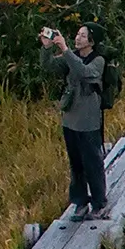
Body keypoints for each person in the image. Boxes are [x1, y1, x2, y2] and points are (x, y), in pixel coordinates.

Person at [39, 22, 109, 219]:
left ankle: (99, 202)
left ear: (92, 41)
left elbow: (84, 72)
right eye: (78, 34)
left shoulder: (98, 61)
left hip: (88, 120)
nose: (78, 38)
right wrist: (47, 48)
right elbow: (49, 66)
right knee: (76, 163)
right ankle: (80, 201)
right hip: (70, 119)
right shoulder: (72, 57)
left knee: (92, 162)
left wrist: (65, 49)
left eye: (83, 36)